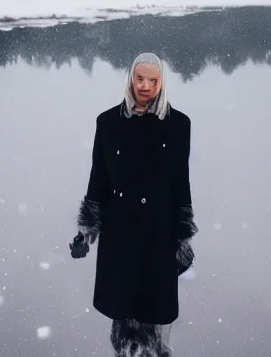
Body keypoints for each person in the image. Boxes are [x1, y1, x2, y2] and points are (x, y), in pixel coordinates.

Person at [70, 52, 197, 357]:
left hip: (158, 236)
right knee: (123, 322)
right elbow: (98, 182)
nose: (145, 86)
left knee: (155, 323)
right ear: (130, 79)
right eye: (139, 78)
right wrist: (86, 232)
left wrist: (183, 238)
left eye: (152, 80)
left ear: (161, 82)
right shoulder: (108, 123)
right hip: (120, 236)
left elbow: (181, 184)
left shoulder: (178, 125)